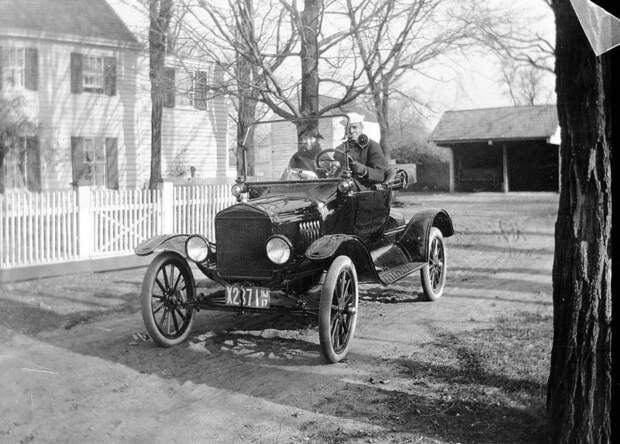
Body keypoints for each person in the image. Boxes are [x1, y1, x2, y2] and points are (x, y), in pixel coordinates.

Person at [335, 112, 387, 184]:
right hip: (342, 186)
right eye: (348, 128)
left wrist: (363, 170)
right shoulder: (340, 149)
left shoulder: (372, 146)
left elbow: (381, 175)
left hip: (365, 188)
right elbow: (335, 173)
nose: (351, 131)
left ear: (362, 127)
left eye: (354, 127)